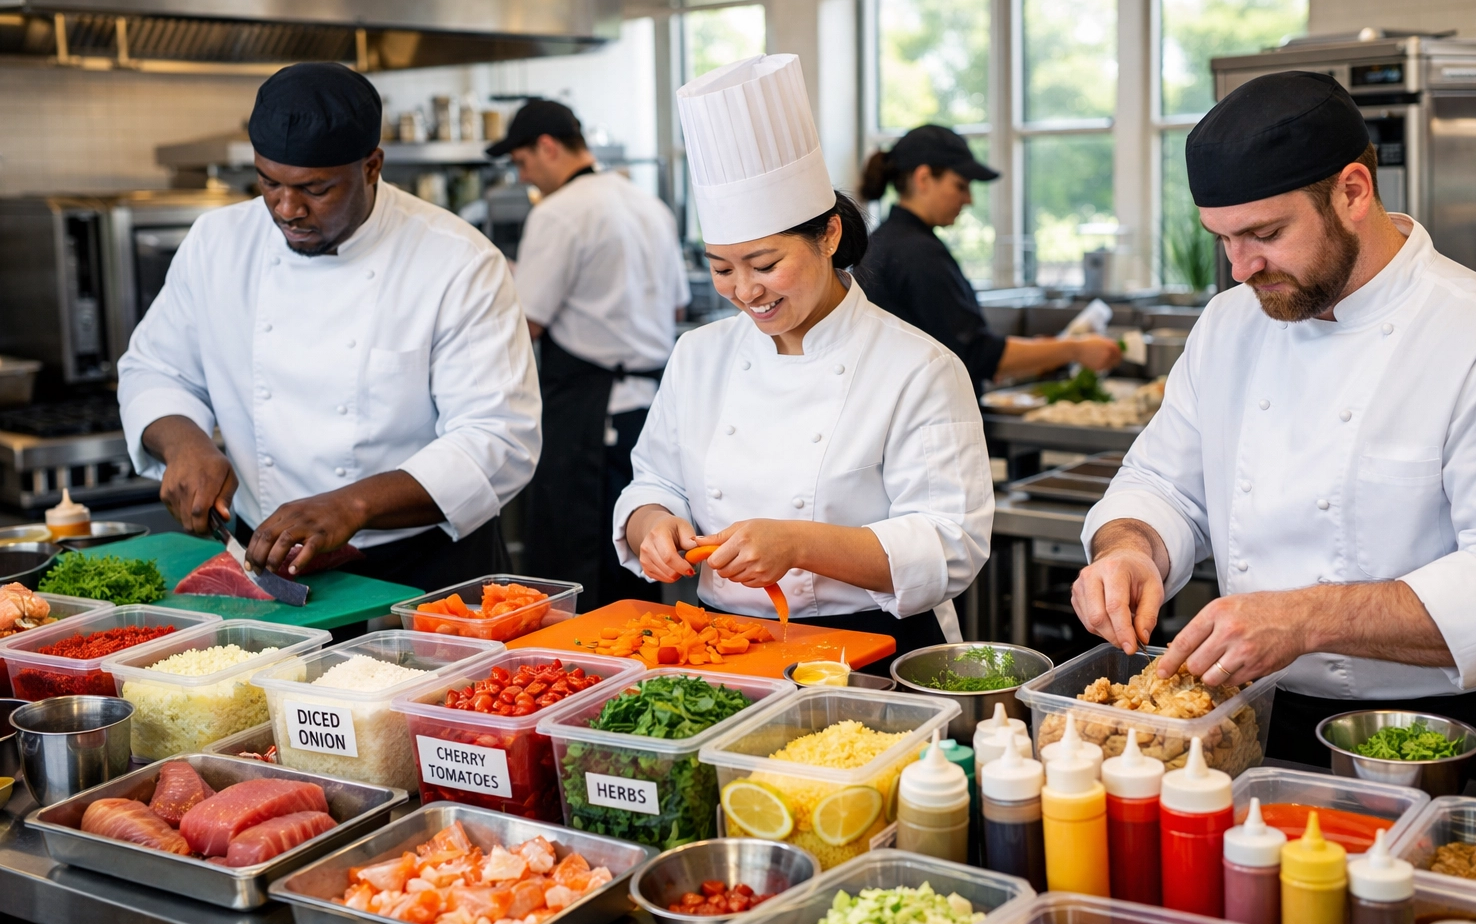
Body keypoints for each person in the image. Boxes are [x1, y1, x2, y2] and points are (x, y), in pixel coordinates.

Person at [1069, 71, 1476, 765]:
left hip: (1438, 740)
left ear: (1353, 191)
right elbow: (1163, 484)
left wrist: (1305, 616)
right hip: (1251, 719)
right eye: (1222, 240)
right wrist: (1128, 550)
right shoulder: (1228, 324)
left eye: (1265, 233)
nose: (1241, 268)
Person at [614, 54, 993, 658]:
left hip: (870, 649)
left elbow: (950, 543)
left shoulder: (919, 367)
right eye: (721, 269)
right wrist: (653, 525)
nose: (745, 290)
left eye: (766, 265)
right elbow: (653, 481)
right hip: (720, 643)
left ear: (830, 236)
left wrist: (799, 544)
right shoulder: (698, 354)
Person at [117, 63, 541, 593]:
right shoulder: (217, 242)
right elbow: (155, 368)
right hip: (266, 563)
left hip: (421, 571)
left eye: (315, 189)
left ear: (371, 166)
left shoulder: (458, 260)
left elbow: (498, 437)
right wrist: (183, 443)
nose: (287, 209)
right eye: (269, 183)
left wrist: (352, 504)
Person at [488, 100, 690, 611]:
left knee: (579, 562)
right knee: (638, 553)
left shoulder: (558, 213)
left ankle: (588, 675)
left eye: (523, 161)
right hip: (647, 409)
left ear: (548, 146)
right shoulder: (649, 205)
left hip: (587, 413)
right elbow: (678, 304)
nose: (523, 175)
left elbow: (528, 320)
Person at [856, 124, 1121, 395]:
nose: (968, 199)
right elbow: (977, 355)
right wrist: (1074, 349)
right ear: (923, 178)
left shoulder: (883, 242)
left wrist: (1044, 351)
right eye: (960, 185)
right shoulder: (917, 253)